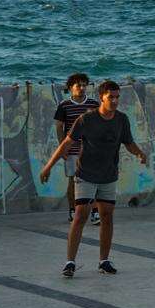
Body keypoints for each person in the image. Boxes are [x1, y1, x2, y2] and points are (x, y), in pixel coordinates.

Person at [40, 80, 147, 277]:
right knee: (81, 214)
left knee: (107, 216)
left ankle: (104, 261)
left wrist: (139, 153)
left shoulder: (121, 119)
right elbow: (66, 143)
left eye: (117, 97)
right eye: (110, 97)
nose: (114, 101)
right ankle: (70, 262)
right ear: (101, 98)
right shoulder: (86, 119)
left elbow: (128, 143)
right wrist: (48, 166)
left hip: (108, 175)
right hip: (86, 174)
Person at [54, 73, 100, 225]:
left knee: (94, 181)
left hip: (91, 150)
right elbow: (59, 127)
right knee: (73, 181)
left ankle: (95, 212)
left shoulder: (94, 104)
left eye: (84, 85)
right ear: (70, 88)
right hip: (72, 150)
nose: (82, 88)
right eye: (78, 85)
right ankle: (72, 210)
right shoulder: (64, 105)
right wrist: (63, 148)